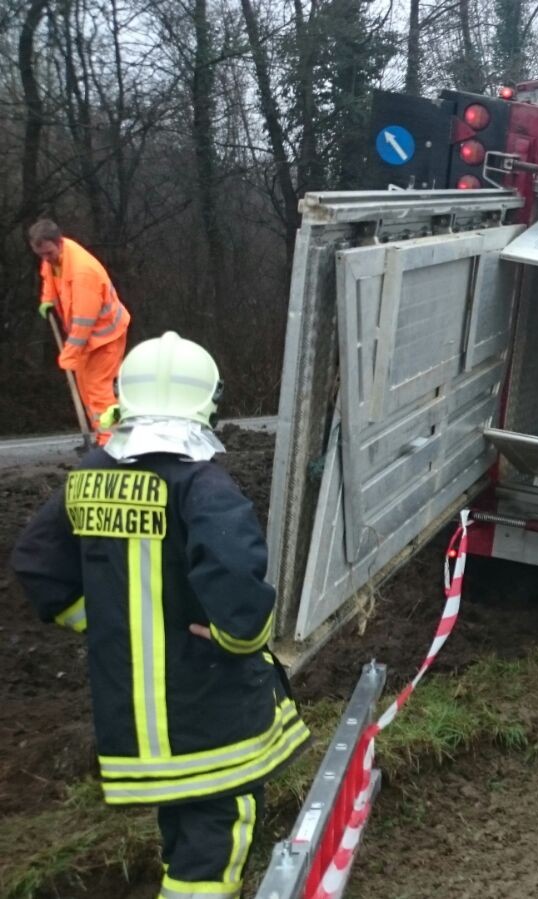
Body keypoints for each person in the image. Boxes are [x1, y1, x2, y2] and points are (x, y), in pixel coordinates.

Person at [11, 333, 309, 899]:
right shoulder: (203, 484)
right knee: (220, 831)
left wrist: (99, 623)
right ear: (207, 403)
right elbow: (238, 581)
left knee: (183, 824)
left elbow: (37, 565)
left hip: (132, 719)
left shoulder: (88, 476)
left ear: (127, 397)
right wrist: (236, 638)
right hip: (208, 711)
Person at [29, 219, 132, 445]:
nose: (46, 259)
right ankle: (101, 434)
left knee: (98, 389)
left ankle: (111, 441)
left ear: (59, 243)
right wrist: (47, 300)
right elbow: (49, 276)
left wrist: (70, 354)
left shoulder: (83, 272)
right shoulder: (54, 259)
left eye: (48, 253)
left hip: (106, 337)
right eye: (41, 255)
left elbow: (84, 321)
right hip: (88, 339)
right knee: (86, 389)